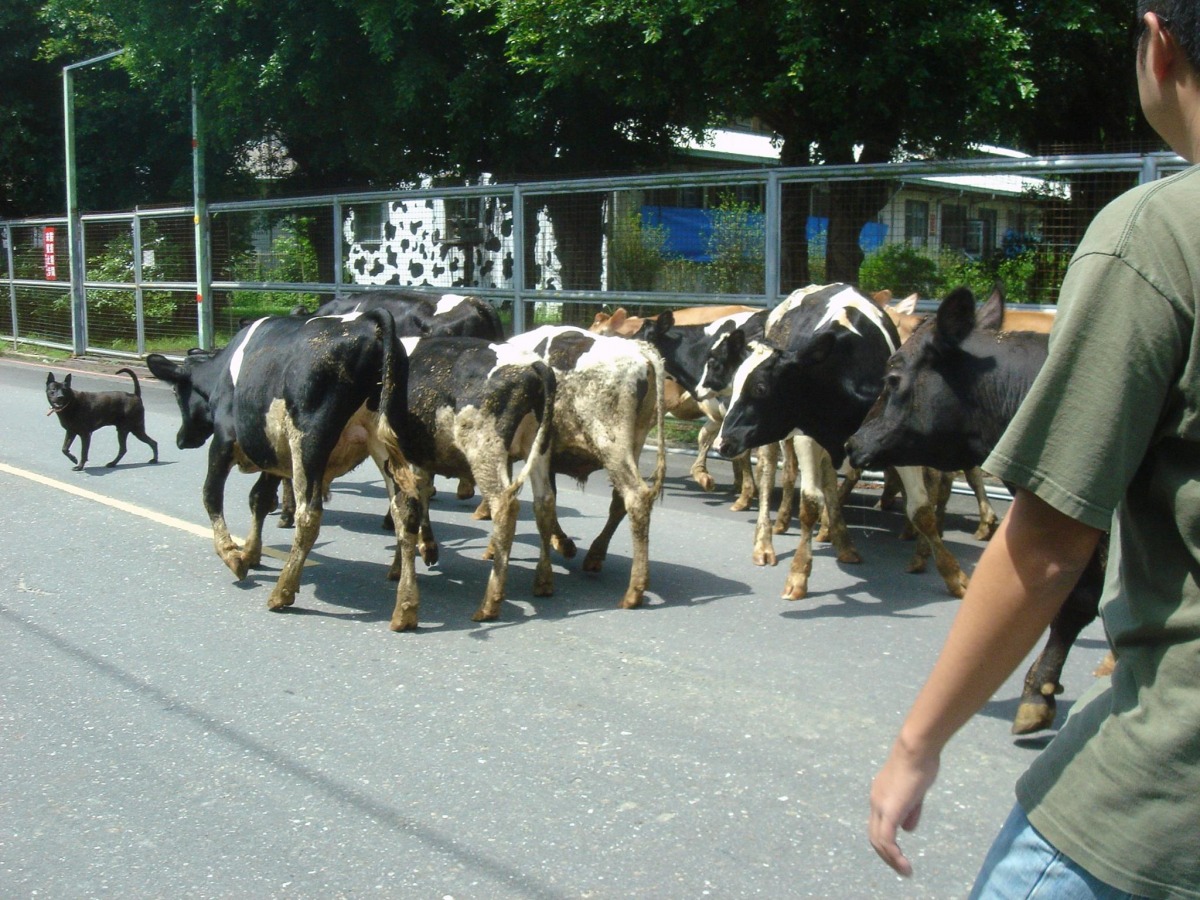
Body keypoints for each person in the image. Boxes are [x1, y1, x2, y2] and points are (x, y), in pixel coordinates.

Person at [867, 4, 1200, 898]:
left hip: (1171, 783)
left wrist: (917, 743)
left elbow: (1050, 544)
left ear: (1159, 40)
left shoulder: (1159, 234)